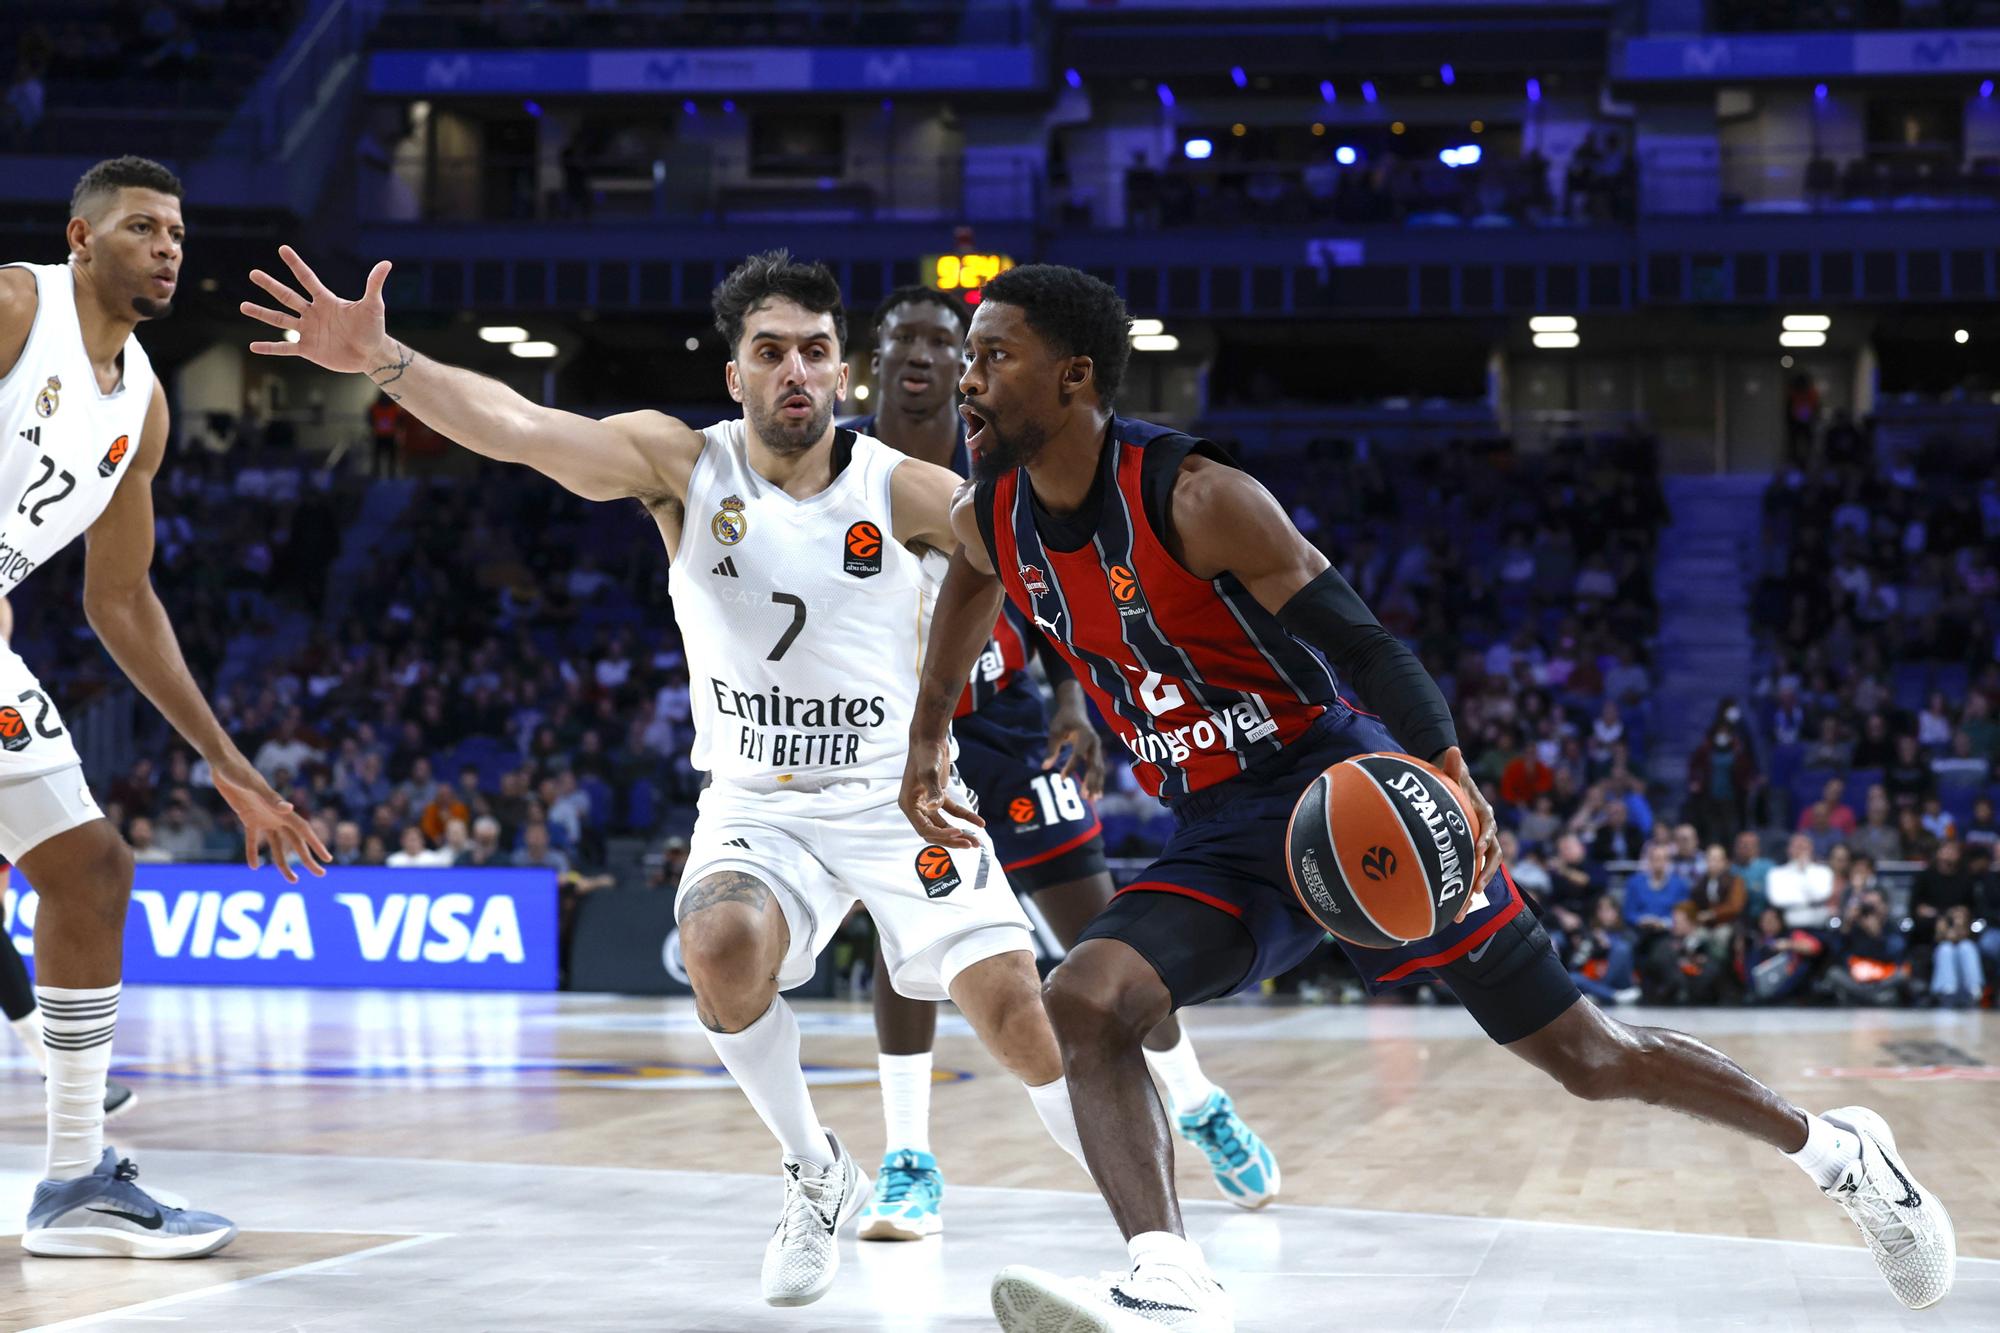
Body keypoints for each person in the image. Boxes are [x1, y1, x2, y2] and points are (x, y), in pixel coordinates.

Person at [898, 263, 1953, 1328]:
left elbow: (1361, 640)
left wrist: (1445, 770)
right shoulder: (991, 514)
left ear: (1073, 377)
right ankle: (1168, 1273)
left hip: (1346, 791)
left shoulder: (1195, 497)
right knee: (1085, 996)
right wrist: (928, 739)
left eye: (993, 357)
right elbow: (966, 598)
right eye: (970, 360)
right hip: (1221, 832)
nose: (969, 382)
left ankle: (1837, 1154)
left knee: (1586, 1058)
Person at [248, 245, 1091, 1308]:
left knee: (1021, 1012)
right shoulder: (681, 464)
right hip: (757, 806)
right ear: (733, 374)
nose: (795, 371)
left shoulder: (911, 489)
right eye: (770, 351)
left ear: (844, 375)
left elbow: (1036, 556)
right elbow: (521, 429)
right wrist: (386, 362)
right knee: (719, 941)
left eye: (816, 353)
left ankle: (1149, 1251)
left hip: (895, 798)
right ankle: (814, 1169)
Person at [844, 285, 1274, 1238]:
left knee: (1102, 927)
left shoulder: (994, 440)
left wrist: (1075, 698)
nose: (922, 353)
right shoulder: (841, 463)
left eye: (942, 340)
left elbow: (1047, 573)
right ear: (874, 354)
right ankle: (909, 1154)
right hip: (900, 731)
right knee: (906, 939)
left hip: (1006, 721)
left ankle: (1196, 1097)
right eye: (902, 335)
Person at [0, 158, 329, 1260]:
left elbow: (122, 597)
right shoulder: (15, 306)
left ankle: (73, 1177)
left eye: (178, 231)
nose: (167, 246)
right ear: (81, 239)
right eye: (142, 226)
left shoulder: (140, 404)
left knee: (92, 870)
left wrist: (230, 765)